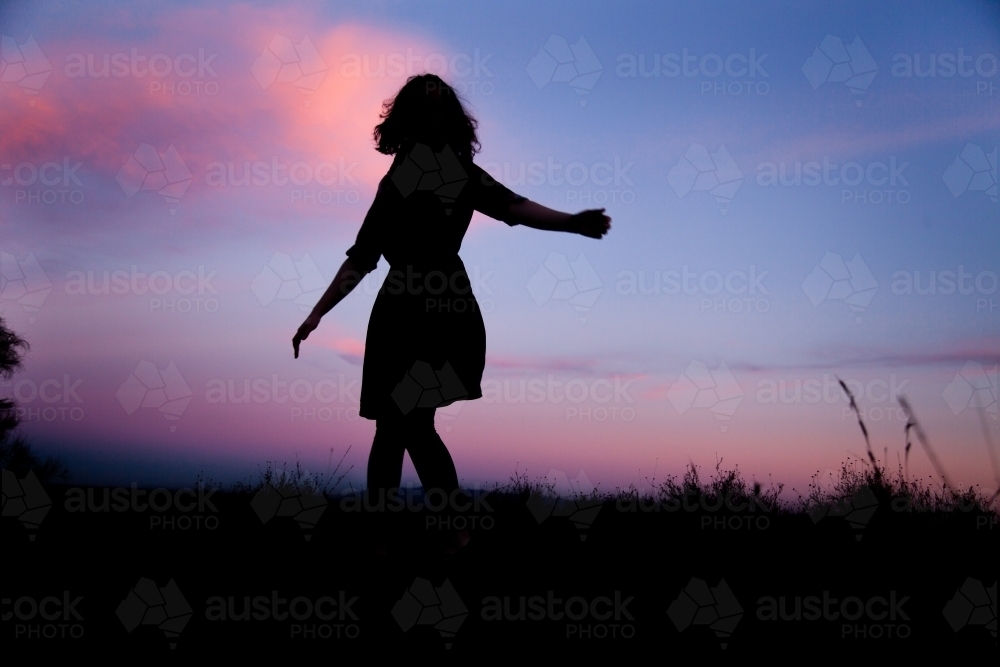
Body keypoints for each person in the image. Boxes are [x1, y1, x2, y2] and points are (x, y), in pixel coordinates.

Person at [293, 74, 610, 552]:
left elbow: (515, 206)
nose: (434, 116)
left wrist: (572, 223)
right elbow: (363, 255)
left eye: (442, 108)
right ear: (409, 118)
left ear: (452, 119)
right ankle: (410, 530)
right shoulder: (396, 179)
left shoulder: (461, 174)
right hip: (398, 309)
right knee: (394, 424)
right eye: (425, 108)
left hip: (442, 310)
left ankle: (444, 530)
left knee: (410, 422)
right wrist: (316, 314)